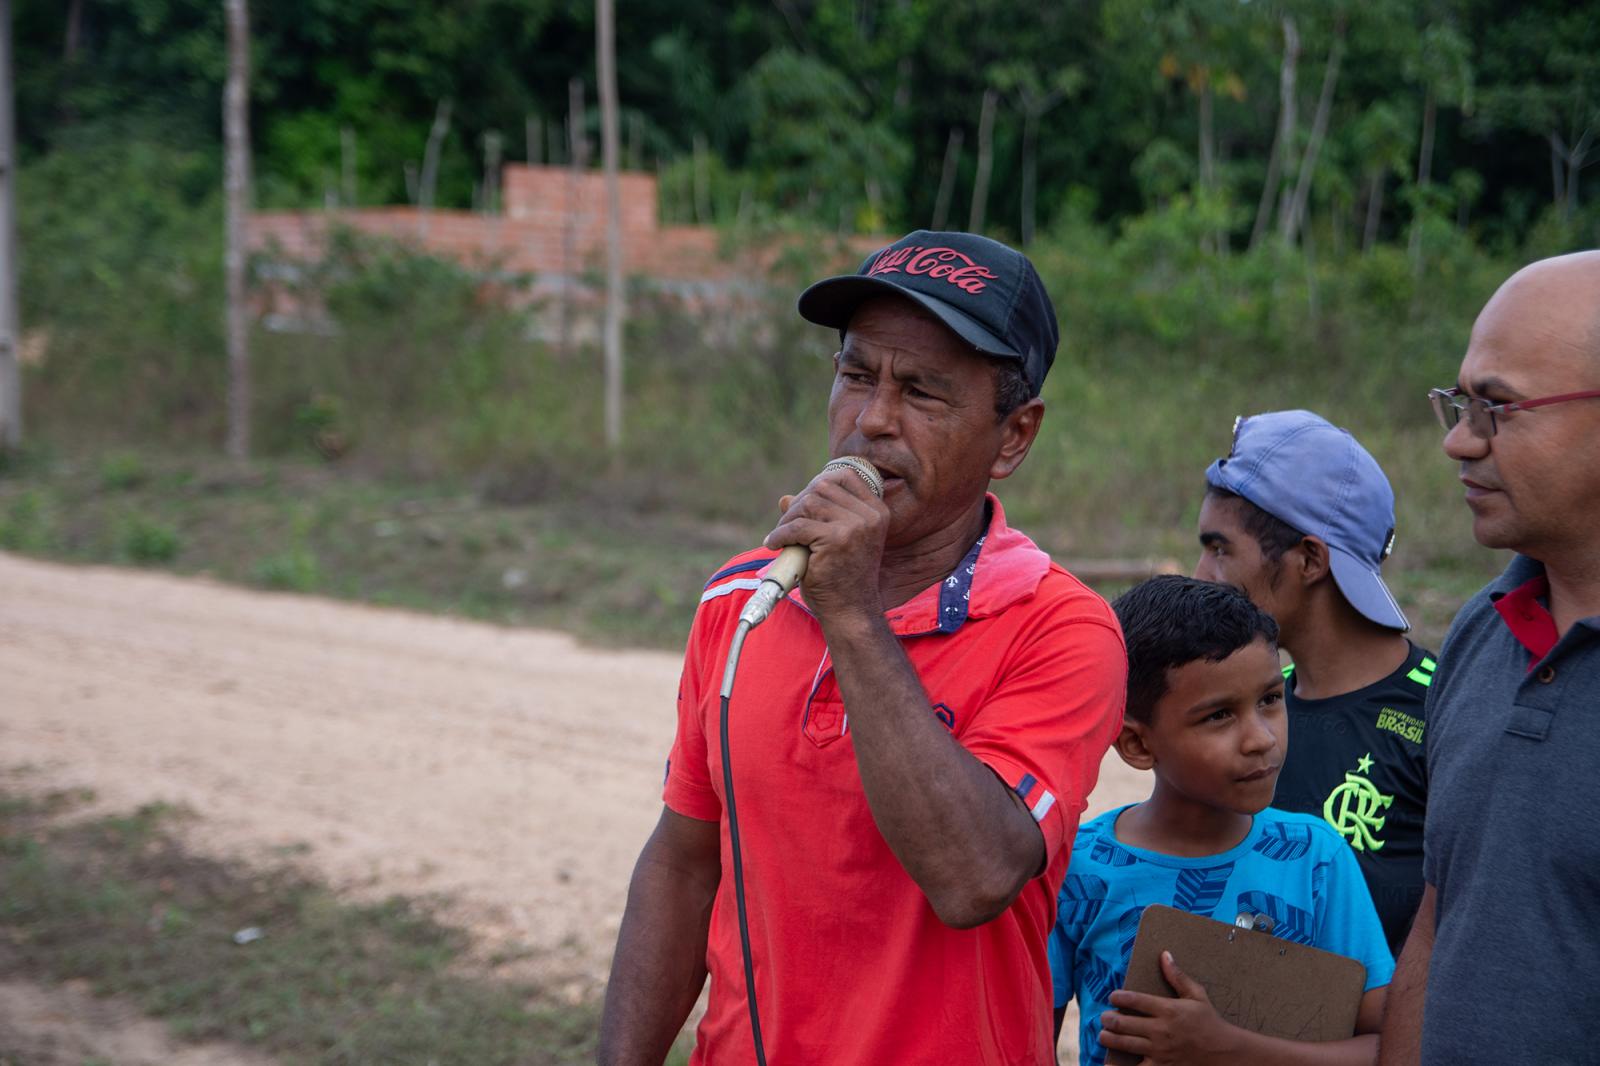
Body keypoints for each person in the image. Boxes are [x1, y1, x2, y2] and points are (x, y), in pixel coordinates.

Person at [597, 231, 1127, 1066]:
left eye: (922, 391)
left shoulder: (1062, 628)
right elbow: (684, 863)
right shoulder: (742, 599)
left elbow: (975, 876)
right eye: (856, 376)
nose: (872, 421)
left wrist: (849, 613)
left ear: (1014, 437)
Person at [1378, 251, 1600, 1066]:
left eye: (1498, 409)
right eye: (1459, 404)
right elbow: (1440, 928)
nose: (1459, 443)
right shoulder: (1483, 631)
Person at [1050, 575, 1393, 1066]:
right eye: (1218, 716)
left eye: (1271, 700)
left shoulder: (1314, 858)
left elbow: (1389, 1047)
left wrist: (1229, 1050)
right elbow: (1023, 1040)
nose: (1260, 739)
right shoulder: (1077, 870)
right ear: (1138, 745)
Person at [1195, 410, 1432, 955]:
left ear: (1309, 560)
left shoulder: (1441, 715)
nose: (1201, 574)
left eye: (1220, 548)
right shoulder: (1244, 713)